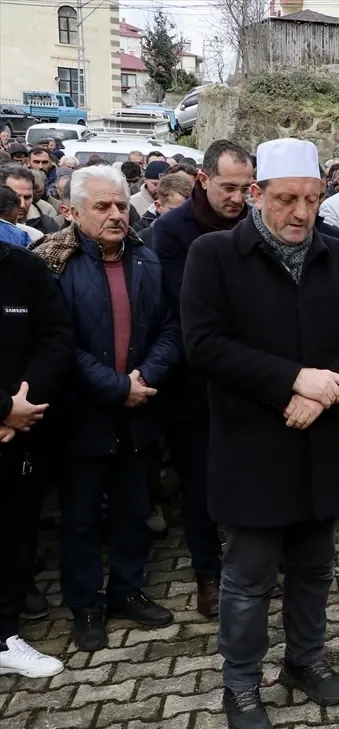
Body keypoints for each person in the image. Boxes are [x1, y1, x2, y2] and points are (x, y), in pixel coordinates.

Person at [180, 138, 339, 729]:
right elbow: (205, 344)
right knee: (247, 579)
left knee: (315, 567)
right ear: (255, 196)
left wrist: (326, 389)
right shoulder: (214, 255)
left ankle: (304, 660)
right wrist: (293, 380)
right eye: (286, 199)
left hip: (322, 444)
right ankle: (241, 682)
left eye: (311, 199)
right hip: (254, 450)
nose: (300, 213)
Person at [33, 165, 181, 652]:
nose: (117, 215)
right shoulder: (54, 265)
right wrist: (116, 388)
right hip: (82, 417)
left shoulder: (147, 260)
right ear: (72, 212)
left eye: (121, 204)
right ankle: (86, 605)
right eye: (103, 207)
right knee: (79, 519)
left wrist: (144, 379)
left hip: (139, 411)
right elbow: (59, 345)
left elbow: (169, 329)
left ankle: (126, 591)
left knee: (132, 510)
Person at [151, 140, 255, 617]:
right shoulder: (171, 231)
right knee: (200, 484)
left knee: (246, 477)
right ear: (203, 180)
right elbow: (183, 301)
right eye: (229, 187)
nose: (237, 198)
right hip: (195, 380)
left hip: (251, 377)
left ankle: (247, 569)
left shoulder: (254, 225)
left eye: (245, 188)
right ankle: (207, 575)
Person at [0, 238, 74, 677]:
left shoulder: (24, 267)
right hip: (12, 416)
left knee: (15, 534)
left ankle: (5, 635)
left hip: (24, 429)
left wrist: (21, 407)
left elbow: (57, 339)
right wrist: (4, 409)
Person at [136, 172, 194, 248]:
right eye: (174, 211)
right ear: (159, 207)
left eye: (188, 210)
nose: (181, 216)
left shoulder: (201, 236)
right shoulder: (143, 239)